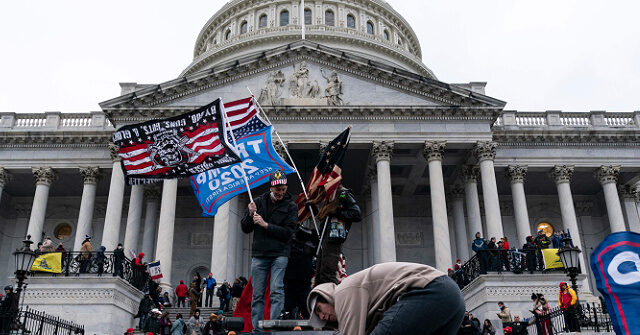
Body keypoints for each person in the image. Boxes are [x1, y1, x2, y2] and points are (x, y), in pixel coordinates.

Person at [308, 262, 465, 335]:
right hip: (453, 299)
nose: (322, 316)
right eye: (319, 317)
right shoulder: (363, 300)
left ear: (326, 296)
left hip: (431, 291)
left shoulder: (343, 291)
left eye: (319, 308)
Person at [240, 170, 297, 331]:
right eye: (277, 189)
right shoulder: (257, 202)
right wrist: (250, 214)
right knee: (257, 295)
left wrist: (265, 225)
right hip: (260, 254)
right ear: (271, 187)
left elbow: (288, 233)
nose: (280, 192)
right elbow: (245, 228)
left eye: (283, 189)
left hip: (280, 254)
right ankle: (257, 330)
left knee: (276, 291)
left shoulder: (291, 206)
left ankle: (275, 329)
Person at [314, 185, 362, 286]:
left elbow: (356, 214)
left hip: (334, 239)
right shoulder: (329, 196)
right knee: (319, 275)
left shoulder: (343, 194)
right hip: (324, 239)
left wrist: (337, 212)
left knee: (328, 274)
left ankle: (331, 299)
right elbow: (323, 217)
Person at [283, 223, 317, 319]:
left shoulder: (312, 239)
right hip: (290, 281)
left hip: (303, 282)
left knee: (307, 312)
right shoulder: (290, 237)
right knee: (288, 312)